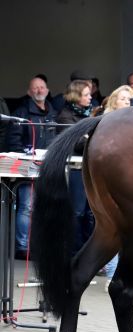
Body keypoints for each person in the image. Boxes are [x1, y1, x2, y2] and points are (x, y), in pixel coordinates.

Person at [99, 85, 133, 294]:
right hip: (111, 183)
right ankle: (111, 276)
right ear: (114, 102)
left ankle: (129, 278)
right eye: (123, 99)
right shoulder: (106, 123)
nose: (128, 102)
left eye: (131, 99)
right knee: (112, 229)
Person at [5, 76, 58, 259]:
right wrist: (27, 158)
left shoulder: (54, 112)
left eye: (42, 87)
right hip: (28, 166)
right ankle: (22, 247)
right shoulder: (21, 113)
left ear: (47, 90)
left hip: (49, 167)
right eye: (35, 88)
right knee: (27, 206)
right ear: (29, 92)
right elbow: (13, 141)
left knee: (45, 207)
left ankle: (40, 245)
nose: (39, 90)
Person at [57, 80, 95, 254]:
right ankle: (74, 251)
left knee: (90, 213)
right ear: (76, 96)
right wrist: (90, 138)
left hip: (89, 168)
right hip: (74, 169)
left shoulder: (91, 113)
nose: (90, 97)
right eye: (86, 94)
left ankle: (88, 251)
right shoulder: (65, 116)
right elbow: (76, 143)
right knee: (77, 212)